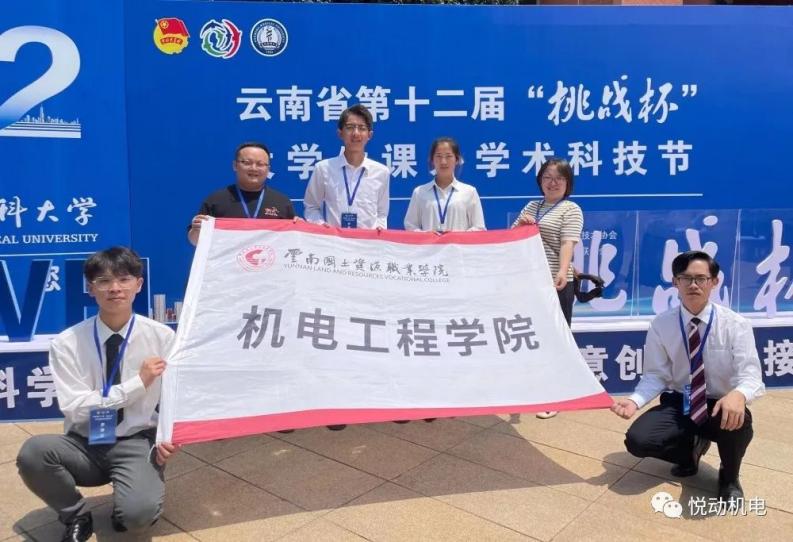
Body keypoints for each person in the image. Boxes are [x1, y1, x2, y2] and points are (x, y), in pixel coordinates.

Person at [16, 247, 178, 541]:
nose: (115, 288)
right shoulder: (67, 343)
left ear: (138, 284)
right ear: (90, 289)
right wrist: (137, 383)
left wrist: (170, 435)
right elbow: (75, 407)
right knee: (34, 453)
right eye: (103, 281)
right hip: (84, 442)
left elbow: (177, 394)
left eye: (124, 279)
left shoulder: (162, 337)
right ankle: (76, 515)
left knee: (137, 517)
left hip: (136, 439)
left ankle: (130, 498)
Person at [611, 251, 765, 507]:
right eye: (686, 278)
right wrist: (635, 400)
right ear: (675, 282)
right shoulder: (662, 324)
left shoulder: (735, 324)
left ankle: (729, 477)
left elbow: (751, 375)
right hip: (680, 402)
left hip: (719, 404)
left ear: (714, 282)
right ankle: (689, 452)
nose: (693, 285)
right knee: (638, 440)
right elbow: (656, 374)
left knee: (738, 421)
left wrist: (739, 394)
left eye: (701, 278)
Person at [512, 157, 583, 419]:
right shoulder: (532, 205)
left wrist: (562, 271)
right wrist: (521, 226)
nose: (552, 183)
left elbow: (568, 243)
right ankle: (535, 389)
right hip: (531, 282)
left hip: (556, 282)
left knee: (557, 338)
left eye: (559, 178)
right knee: (532, 335)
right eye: (547, 177)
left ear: (567, 183)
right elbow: (513, 237)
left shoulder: (571, 209)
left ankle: (556, 395)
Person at [188, 142, 296, 245]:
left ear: (268, 169)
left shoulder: (282, 202)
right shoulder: (216, 200)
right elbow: (195, 241)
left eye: (260, 164)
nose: (254, 168)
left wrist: (298, 227)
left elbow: (292, 241)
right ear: (235, 165)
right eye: (247, 163)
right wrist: (197, 229)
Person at [303, 104, 390, 230]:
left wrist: (379, 228)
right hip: (334, 240)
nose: (356, 133)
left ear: (369, 135)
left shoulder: (381, 172)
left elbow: (382, 212)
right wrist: (321, 226)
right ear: (340, 133)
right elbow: (311, 207)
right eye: (350, 127)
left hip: (367, 241)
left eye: (362, 128)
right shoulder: (323, 169)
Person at [404, 137, 485, 233]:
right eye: (438, 156)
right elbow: (410, 226)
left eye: (448, 156)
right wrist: (425, 234)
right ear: (432, 160)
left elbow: (479, 228)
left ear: (457, 159)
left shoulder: (469, 192)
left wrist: (457, 235)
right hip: (429, 243)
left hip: (458, 243)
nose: (443, 162)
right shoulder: (419, 192)